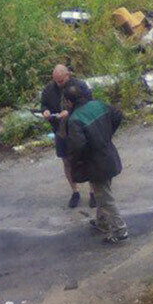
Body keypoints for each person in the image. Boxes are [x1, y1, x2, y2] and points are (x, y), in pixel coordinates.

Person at [62, 82, 128, 244]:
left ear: (70, 102)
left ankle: (120, 230)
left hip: (95, 163)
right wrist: (106, 134)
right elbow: (117, 115)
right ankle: (102, 222)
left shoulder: (75, 119)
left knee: (105, 196)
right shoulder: (98, 105)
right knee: (102, 192)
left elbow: (78, 145)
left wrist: (74, 161)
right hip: (109, 155)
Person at [41, 65, 94, 208]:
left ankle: (93, 192)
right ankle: (75, 191)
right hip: (61, 130)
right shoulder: (49, 89)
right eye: (55, 81)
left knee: (88, 159)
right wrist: (45, 111)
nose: (58, 84)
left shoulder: (80, 86)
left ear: (68, 75)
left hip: (80, 128)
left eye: (60, 81)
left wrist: (70, 113)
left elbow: (88, 105)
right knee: (66, 161)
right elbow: (43, 104)